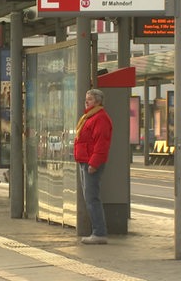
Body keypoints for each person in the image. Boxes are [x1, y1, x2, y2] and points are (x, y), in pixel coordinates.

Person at [74, 89, 112, 245]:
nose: (86, 101)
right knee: (89, 197)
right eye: (86, 99)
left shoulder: (100, 118)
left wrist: (94, 163)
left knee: (91, 198)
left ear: (98, 101)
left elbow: (101, 143)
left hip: (90, 163)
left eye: (89, 99)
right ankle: (97, 231)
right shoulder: (89, 117)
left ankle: (99, 232)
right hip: (84, 161)